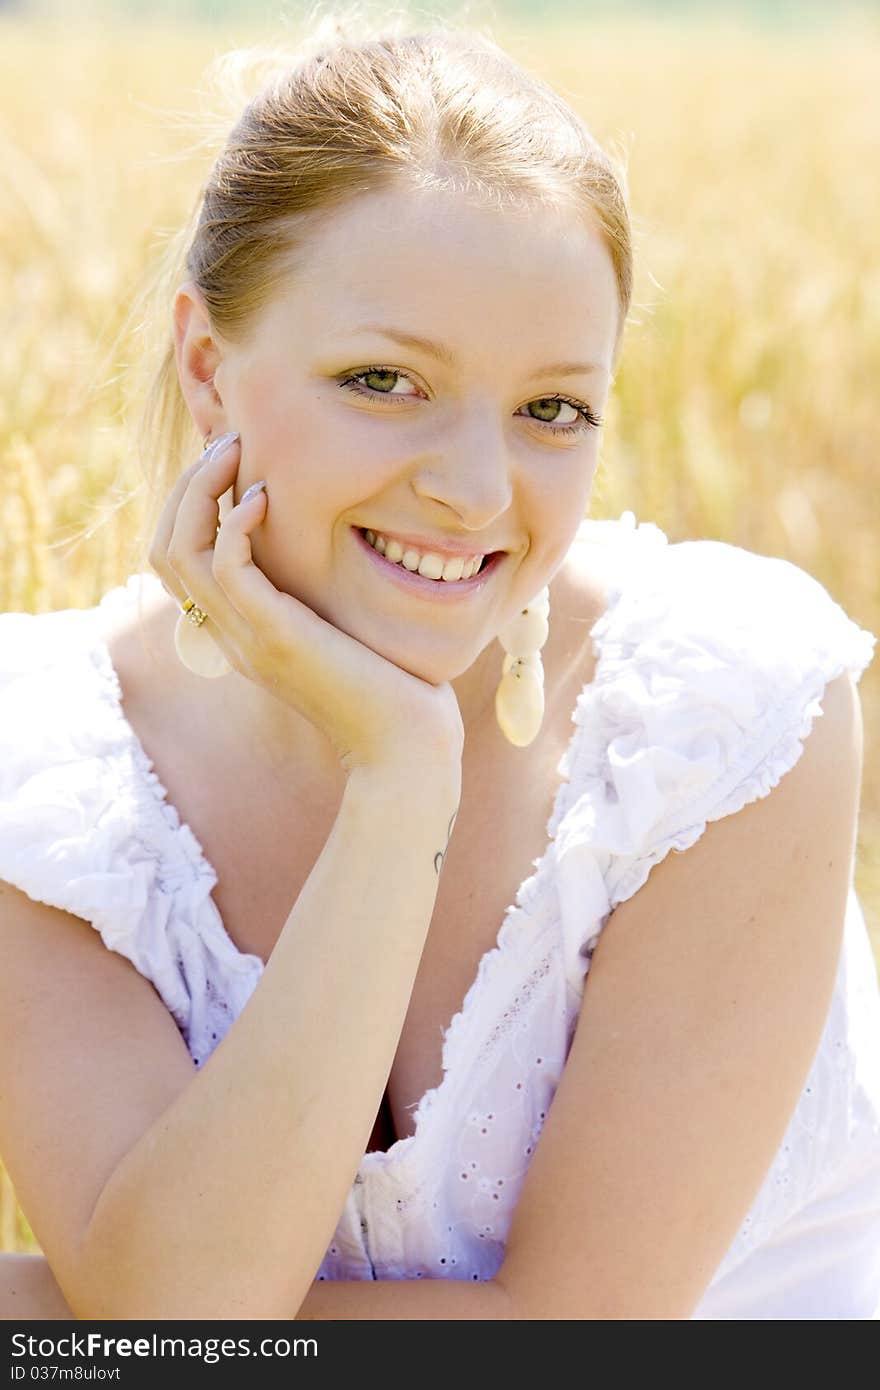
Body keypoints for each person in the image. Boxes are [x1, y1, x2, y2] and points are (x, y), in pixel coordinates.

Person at [1, 14, 879, 1322]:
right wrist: (402, 778)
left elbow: (570, 1337)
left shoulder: (726, 710)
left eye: (552, 409)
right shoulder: (50, 769)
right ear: (209, 368)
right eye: (386, 380)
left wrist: (45, 1322)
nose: (475, 493)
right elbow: (183, 1306)